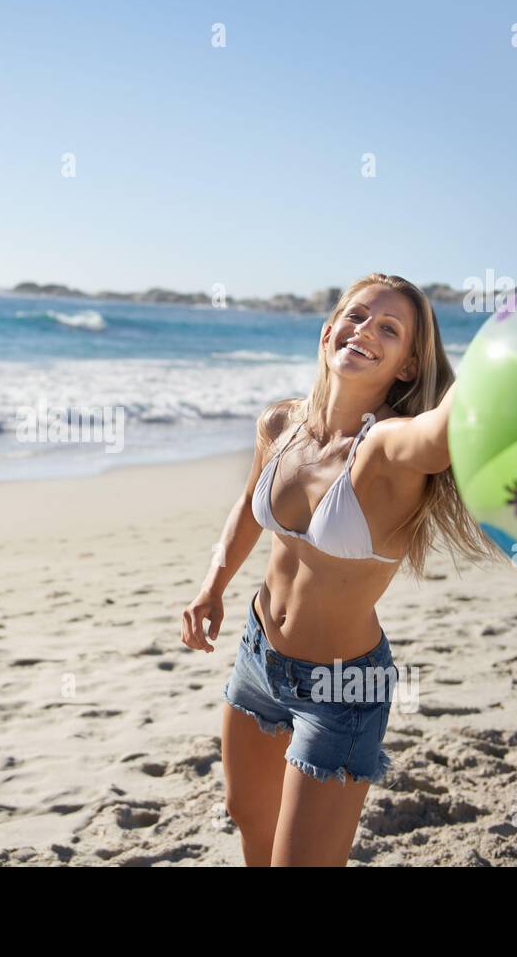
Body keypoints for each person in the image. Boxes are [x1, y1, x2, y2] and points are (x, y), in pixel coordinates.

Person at [181, 273, 499, 866]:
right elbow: (248, 509)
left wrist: (501, 343)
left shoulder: (387, 449)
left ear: (406, 366)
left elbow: (440, 436)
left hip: (343, 686)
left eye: (389, 329)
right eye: (355, 316)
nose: (365, 331)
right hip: (258, 657)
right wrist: (212, 588)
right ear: (328, 332)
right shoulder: (281, 424)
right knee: (249, 821)